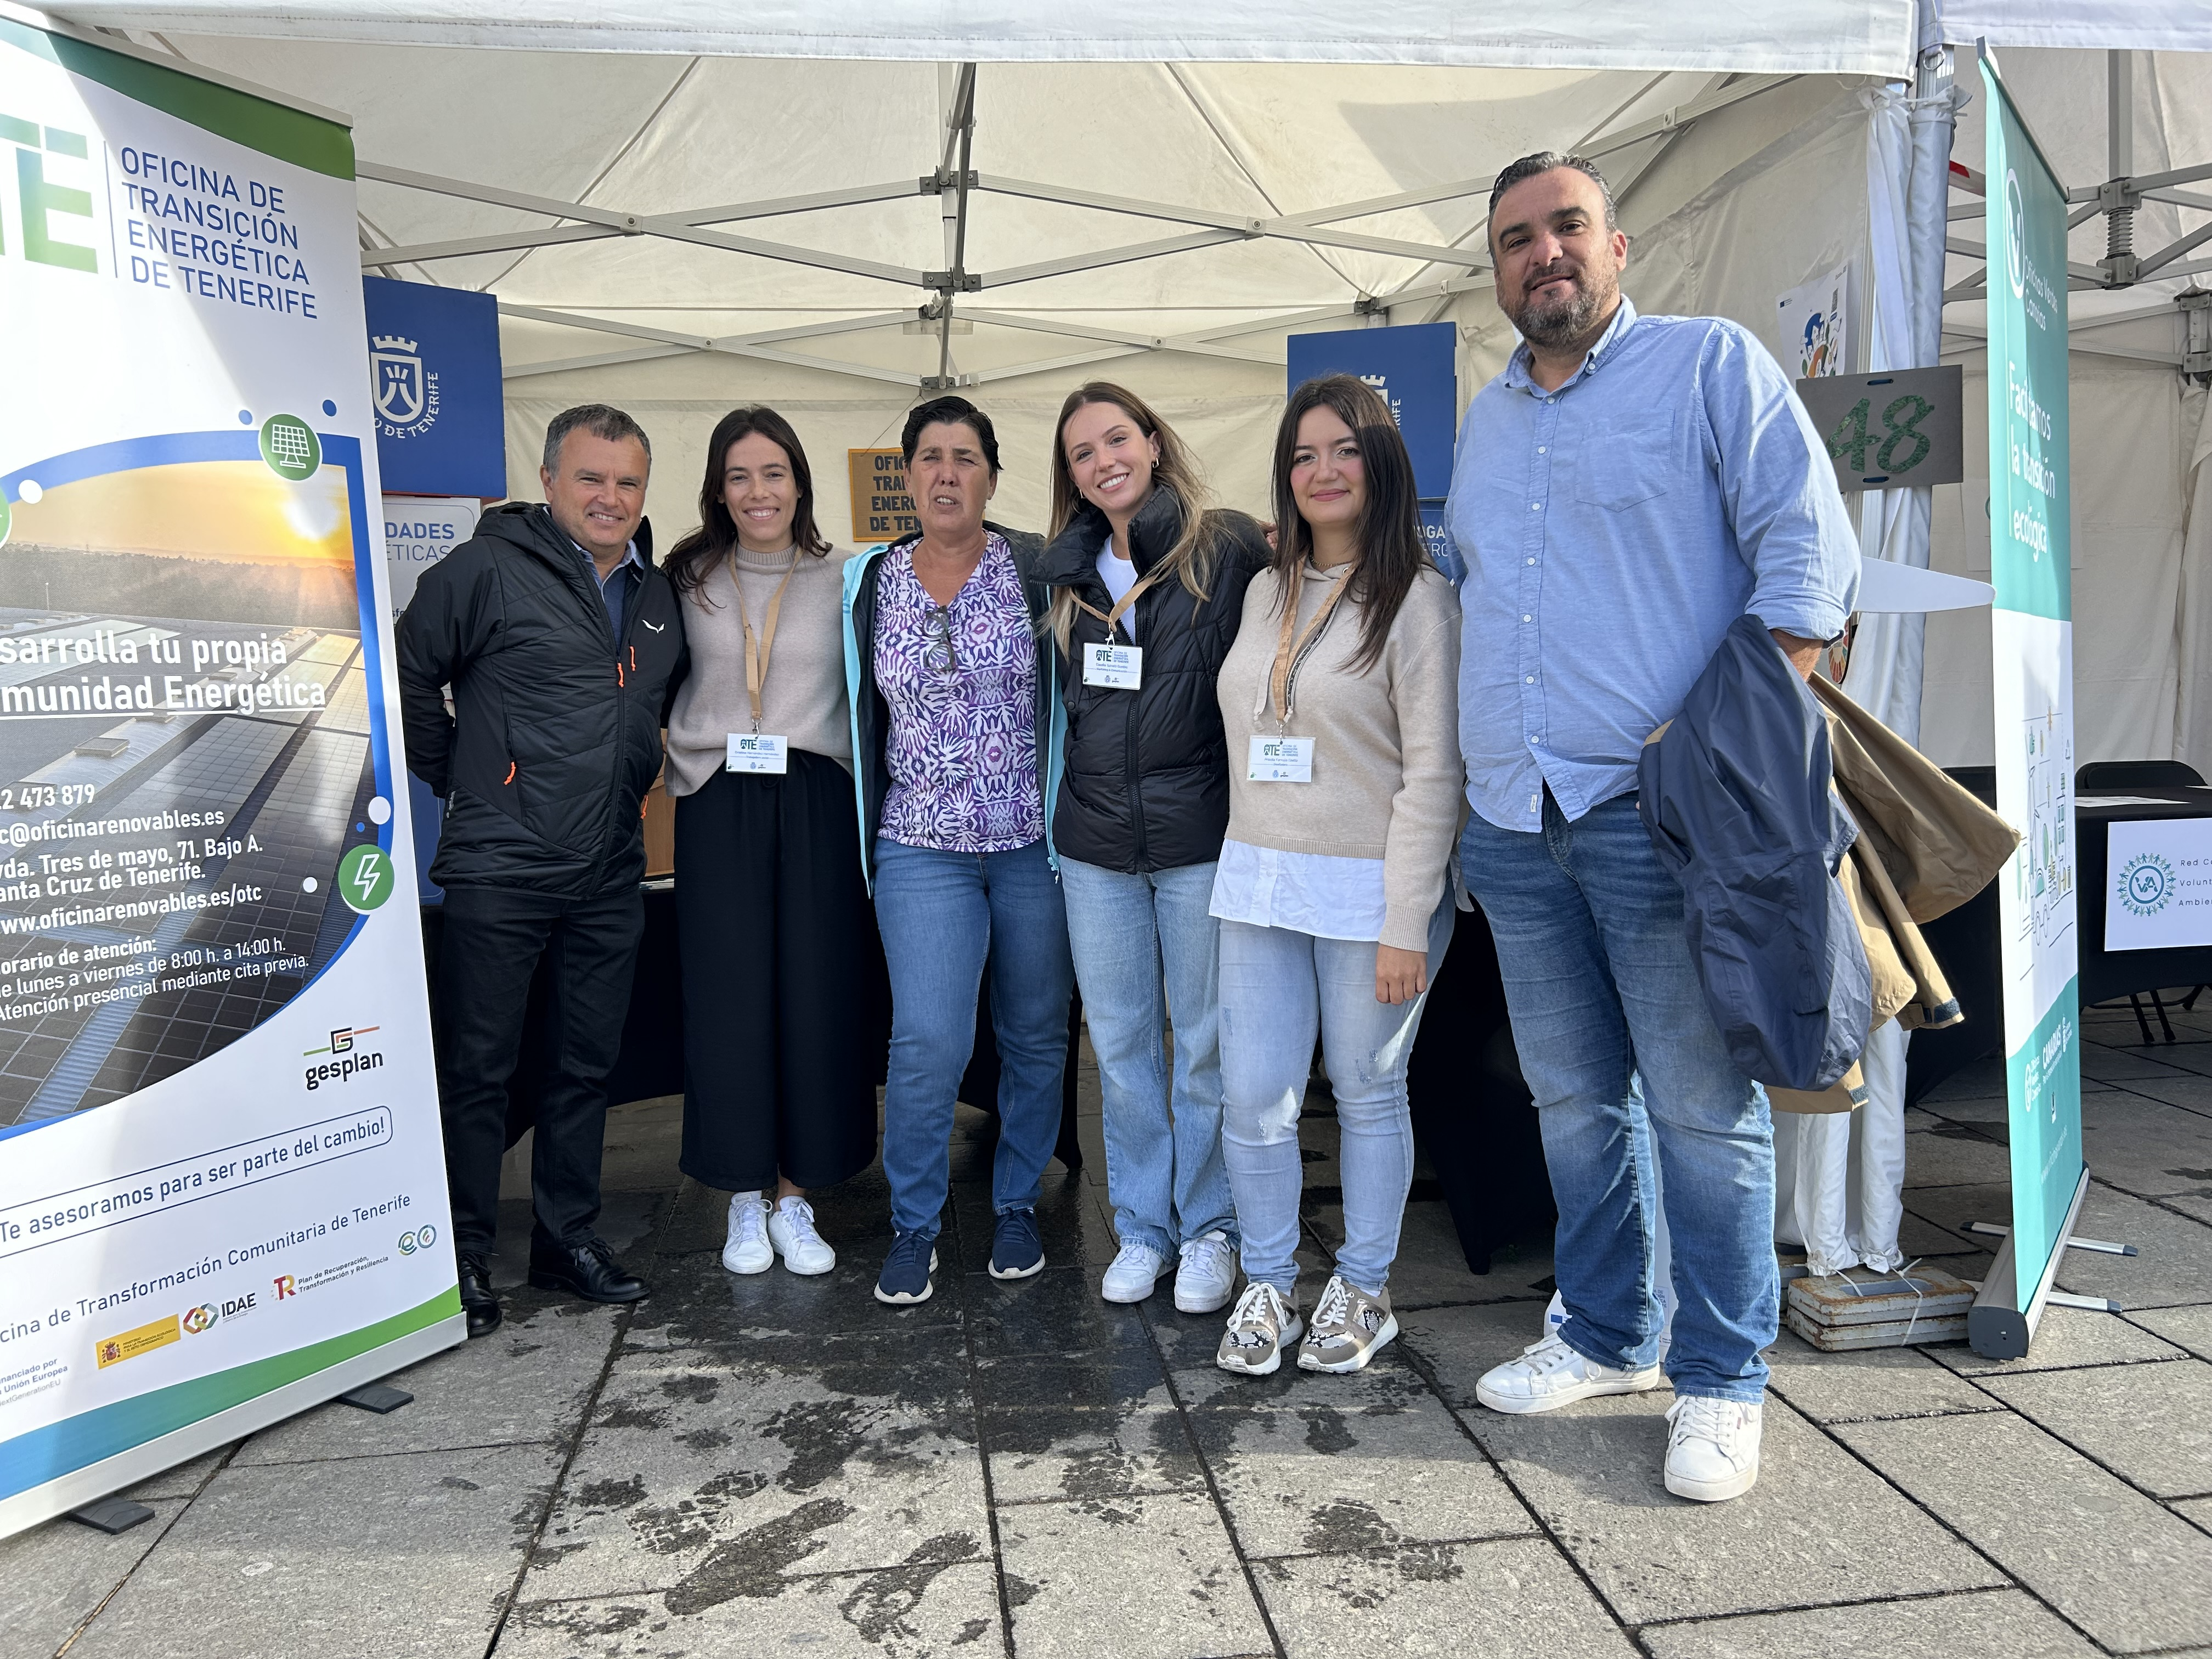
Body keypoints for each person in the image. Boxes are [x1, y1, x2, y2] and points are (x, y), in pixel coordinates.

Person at [1449, 153, 1859, 1502]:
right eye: (1516, 241)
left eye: (1566, 229)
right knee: (1574, 1101)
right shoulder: (1489, 418)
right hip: (1516, 820)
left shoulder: (1711, 367)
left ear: (1618, 245)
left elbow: (1812, 568)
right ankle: (1610, 1331)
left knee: (1700, 1106)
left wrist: (1710, 745)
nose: (1543, 255)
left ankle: (1725, 1375)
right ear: (1498, 270)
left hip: (1659, 822)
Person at [398, 403, 689, 1338]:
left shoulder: (656, 593)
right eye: (593, 478)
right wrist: (468, 780)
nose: (611, 498)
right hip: (502, 867)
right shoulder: (486, 567)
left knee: (583, 1064)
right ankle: (462, 1251)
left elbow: (650, 709)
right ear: (553, 479)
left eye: (629, 482)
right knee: (480, 1068)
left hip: (609, 868)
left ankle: (568, 1240)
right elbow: (406, 673)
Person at [1209, 375, 1463, 1377]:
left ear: (1382, 464)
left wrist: (1410, 917)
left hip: (1371, 891)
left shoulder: (1420, 601)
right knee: (1255, 1098)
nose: (1322, 470)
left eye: (1344, 450)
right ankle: (1268, 1280)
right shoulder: (1263, 589)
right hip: (1260, 881)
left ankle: (1364, 1284)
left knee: (1365, 1091)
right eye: (1304, 454)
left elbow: (1435, 770)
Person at [1039, 382, 1272, 1314]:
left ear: (1151, 440)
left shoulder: (1226, 545)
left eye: (1116, 439)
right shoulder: (1064, 573)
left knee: (1206, 1042)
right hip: (1095, 848)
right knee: (1125, 1045)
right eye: (1083, 453)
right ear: (1073, 476)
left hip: (1197, 839)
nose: (1104, 461)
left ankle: (1212, 1227)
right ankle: (1143, 1226)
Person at [840, 394, 1074, 1307]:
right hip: (919, 847)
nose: (947, 473)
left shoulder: (1035, 569)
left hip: (1030, 844)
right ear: (905, 476)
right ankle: (914, 1223)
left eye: (966, 457)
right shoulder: (869, 582)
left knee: (1035, 1033)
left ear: (991, 474)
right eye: (930, 457)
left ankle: (1017, 1202)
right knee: (929, 1040)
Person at [662, 407, 888, 1279]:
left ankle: (798, 1196)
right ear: (719, 489)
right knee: (728, 1000)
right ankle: (743, 1198)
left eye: (774, 474)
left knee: (819, 994)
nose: (759, 493)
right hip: (719, 799)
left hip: (820, 796)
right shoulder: (688, 578)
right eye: (739, 477)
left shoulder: (850, 575)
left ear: (801, 481)